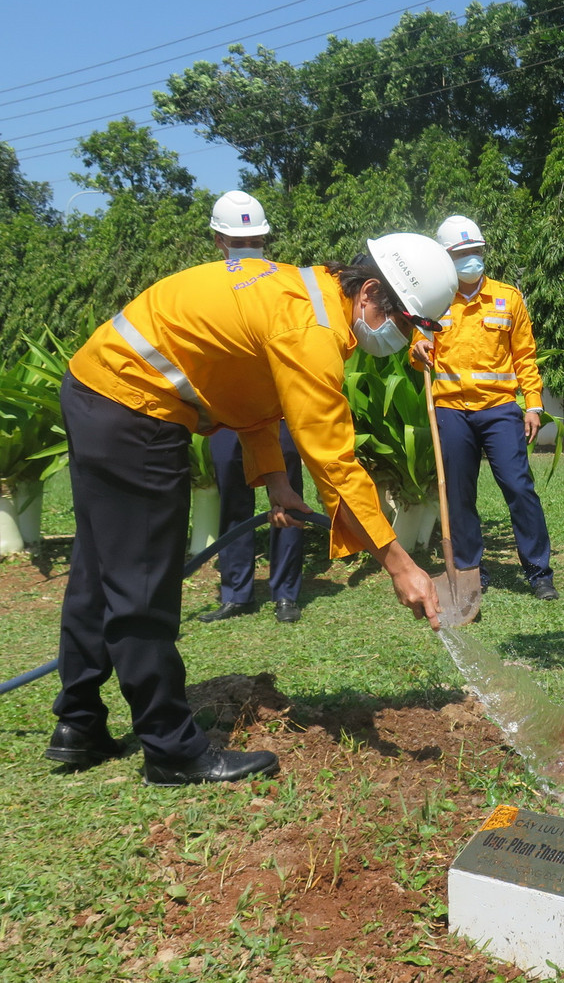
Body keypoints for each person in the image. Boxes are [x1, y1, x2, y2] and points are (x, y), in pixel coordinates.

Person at [45, 233, 457, 785]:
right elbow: (334, 461)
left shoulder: (301, 293)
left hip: (97, 389)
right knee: (142, 584)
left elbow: (250, 394)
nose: (402, 337)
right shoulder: (310, 329)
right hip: (136, 409)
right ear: (369, 293)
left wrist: (276, 482)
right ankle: (171, 751)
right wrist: (398, 564)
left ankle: (78, 725)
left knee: (98, 568)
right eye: (404, 323)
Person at [410, 216, 557, 600]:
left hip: (499, 410)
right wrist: (418, 348)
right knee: (458, 494)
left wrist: (533, 406)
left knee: (518, 486)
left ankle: (539, 572)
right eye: (461, 254)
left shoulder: (508, 298)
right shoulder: (433, 300)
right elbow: (417, 348)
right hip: (451, 410)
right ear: (445, 258)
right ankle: (470, 570)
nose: (470, 259)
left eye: (475, 251)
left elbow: (525, 357)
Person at [200, 191, 306, 625]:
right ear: (219, 242)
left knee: (287, 497)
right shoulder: (206, 285)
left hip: (276, 406)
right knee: (233, 498)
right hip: (227, 408)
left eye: (254, 241)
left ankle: (286, 593)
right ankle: (237, 591)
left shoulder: (286, 283)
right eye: (240, 242)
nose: (248, 249)